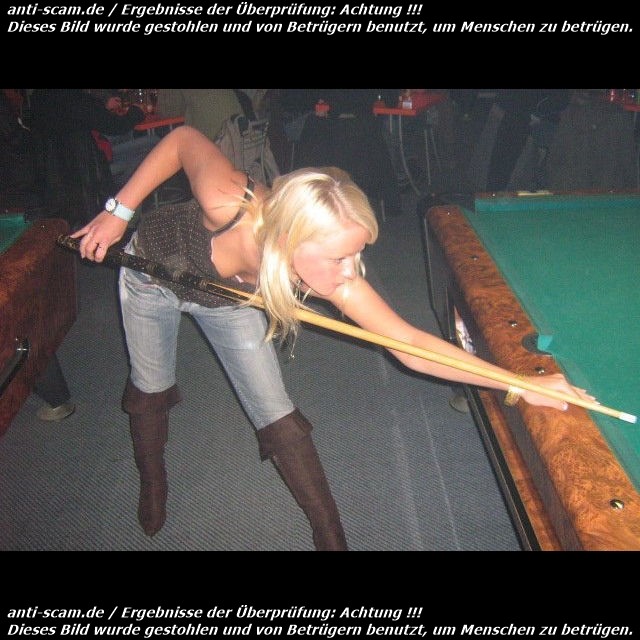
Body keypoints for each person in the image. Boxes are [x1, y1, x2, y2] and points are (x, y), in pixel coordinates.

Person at [71, 125, 594, 551]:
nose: (350, 272)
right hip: (150, 277)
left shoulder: (338, 277)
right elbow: (183, 139)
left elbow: (410, 346)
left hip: (227, 299)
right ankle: (153, 480)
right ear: (288, 240)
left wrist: (520, 383)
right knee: (151, 390)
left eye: (356, 253)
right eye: (338, 257)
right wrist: (118, 214)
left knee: (276, 412)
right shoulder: (227, 199)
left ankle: (329, 533)